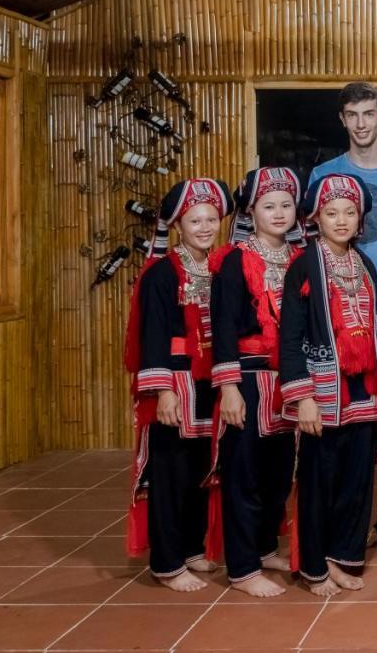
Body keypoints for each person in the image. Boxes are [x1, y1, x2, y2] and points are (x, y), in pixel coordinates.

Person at [308, 82, 377, 561]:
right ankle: (339, 517)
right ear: (342, 119)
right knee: (339, 424)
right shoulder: (322, 173)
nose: (360, 123)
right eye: (351, 114)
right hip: (335, 321)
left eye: (368, 113)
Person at [278, 173, 377, 596]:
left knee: (356, 479)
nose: (342, 220)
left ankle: (341, 558)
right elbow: (289, 336)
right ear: (316, 217)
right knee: (318, 482)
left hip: (364, 389)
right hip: (324, 391)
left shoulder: (363, 263)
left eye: (350, 212)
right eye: (332, 213)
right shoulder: (303, 265)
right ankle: (314, 568)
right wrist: (304, 397)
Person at [125, 178, 234, 592]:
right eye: (195, 220)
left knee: (201, 472)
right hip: (176, 386)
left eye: (210, 219)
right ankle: (166, 563)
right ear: (177, 225)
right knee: (169, 474)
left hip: (211, 384)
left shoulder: (221, 266)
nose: (205, 227)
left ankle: (190, 548)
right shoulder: (161, 274)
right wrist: (163, 390)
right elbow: (152, 336)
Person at [208, 167, 306, 598]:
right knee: (243, 474)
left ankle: (265, 546)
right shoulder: (233, 259)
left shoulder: (302, 259)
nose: (279, 212)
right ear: (251, 209)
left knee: (278, 474)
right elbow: (223, 325)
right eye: (269, 205)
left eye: (286, 205)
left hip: (288, 380)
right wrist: (228, 386)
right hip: (247, 377)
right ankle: (242, 567)